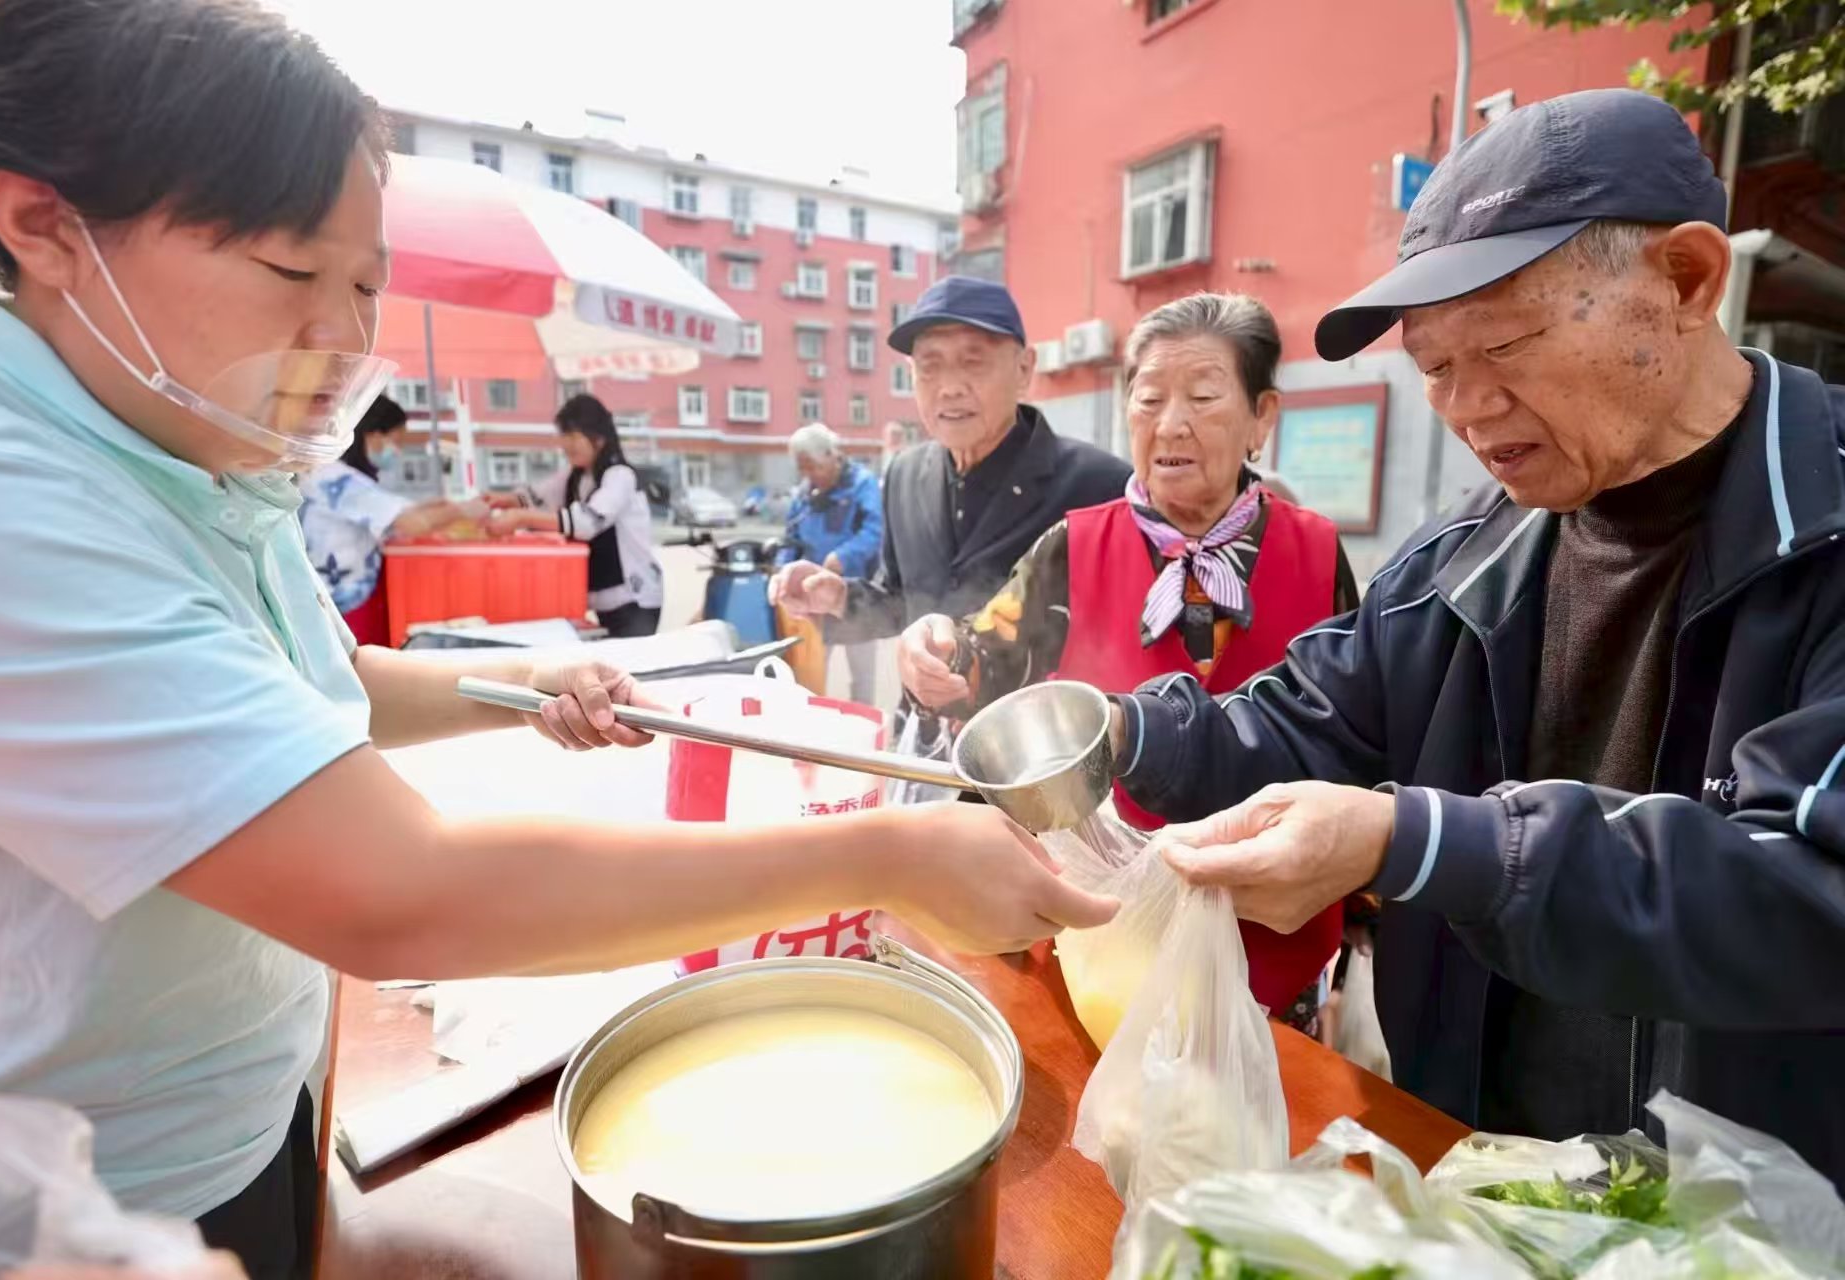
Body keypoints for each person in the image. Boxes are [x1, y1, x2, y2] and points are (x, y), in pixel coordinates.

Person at [0, 4, 1116, 1277]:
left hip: (248, 1104)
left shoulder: (191, 439)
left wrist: (522, 681)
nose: (340, 344)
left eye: (366, 284)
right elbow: (399, 889)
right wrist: (886, 852)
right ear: (45, 224)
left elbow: (314, 678)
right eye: (289, 273)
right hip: (78, 1198)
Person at [1108, 90, 1845, 1179]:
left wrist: (1419, 841)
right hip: (1481, 1170)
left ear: (1687, 281)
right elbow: (1305, 719)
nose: (1463, 404)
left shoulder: (1821, 524)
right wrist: (1113, 734)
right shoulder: (1467, 555)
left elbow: (1808, 888)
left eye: (1501, 343)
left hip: (1743, 1218)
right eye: (1436, 366)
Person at [898, 292, 1358, 1029]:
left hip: (1274, 928)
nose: (1171, 423)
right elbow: (983, 664)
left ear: (1261, 418)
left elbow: (1357, 734)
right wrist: (939, 651)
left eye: (1204, 397)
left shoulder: (1316, 551)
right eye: (1149, 399)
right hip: (1108, 932)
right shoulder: (1072, 546)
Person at [770, 276, 1132, 728]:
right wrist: (840, 595)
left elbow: (1126, 646)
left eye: (972, 363)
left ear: (1024, 369)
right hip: (921, 739)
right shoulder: (903, 475)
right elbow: (905, 600)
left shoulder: (1100, 486)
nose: (949, 387)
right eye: (930, 366)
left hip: (1036, 753)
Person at [298, 393, 485, 645]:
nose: (397, 452)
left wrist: (436, 507)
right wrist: (464, 509)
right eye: (396, 442)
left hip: (347, 597)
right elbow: (411, 523)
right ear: (374, 435)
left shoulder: (338, 476)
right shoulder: (338, 480)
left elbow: (395, 512)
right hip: (342, 599)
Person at [487, 393, 664, 638]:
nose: (564, 444)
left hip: (635, 599)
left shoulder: (620, 476)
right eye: (563, 435)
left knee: (629, 670)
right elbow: (534, 497)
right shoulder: (576, 476)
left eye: (572, 436)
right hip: (603, 601)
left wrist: (520, 518)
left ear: (598, 438)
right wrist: (495, 502)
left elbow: (587, 522)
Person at [783, 423, 885, 702]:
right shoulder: (805, 493)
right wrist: (783, 572)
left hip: (856, 595)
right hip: (812, 600)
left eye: (814, 467)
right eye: (803, 469)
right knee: (811, 673)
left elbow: (875, 531)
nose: (809, 476)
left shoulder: (862, 484)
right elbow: (789, 538)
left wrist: (843, 556)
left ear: (832, 455)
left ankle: (864, 739)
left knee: (862, 675)